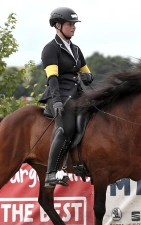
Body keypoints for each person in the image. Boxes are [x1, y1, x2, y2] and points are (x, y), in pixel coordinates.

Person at [39, 7, 93, 188]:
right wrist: (56, 101)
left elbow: (86, 72)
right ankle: (51, 173)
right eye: (70, 24)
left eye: (74, 24)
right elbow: (52, 79)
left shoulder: (76, 50)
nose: (73, 27)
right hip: (58, 94)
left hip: (77, 93)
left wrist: (88, 77)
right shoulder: (50, 49)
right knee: (66, 128)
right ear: (58, 25)